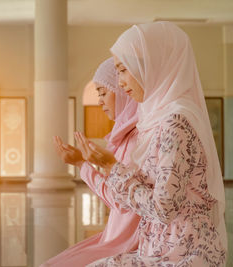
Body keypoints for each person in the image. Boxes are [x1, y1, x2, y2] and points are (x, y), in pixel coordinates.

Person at [78, 21, 227, 266]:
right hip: (160, 247)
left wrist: (111, 166)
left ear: (149, 65)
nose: (122, 82)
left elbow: (163, 208)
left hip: (184, 254)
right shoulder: (157, 118)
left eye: (123, 69)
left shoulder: (175, 121)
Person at [42, 58, 141, 267]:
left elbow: (118, 201)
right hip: (114, 237)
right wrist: (82, 164)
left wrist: (83, 165)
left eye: (104, 93)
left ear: (124, 91)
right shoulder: (125, 136)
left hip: (126, 243)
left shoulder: (136, 139)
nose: (100, 101)